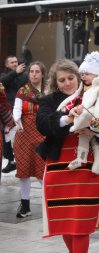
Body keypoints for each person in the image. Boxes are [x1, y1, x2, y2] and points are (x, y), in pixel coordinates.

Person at [36, 59, 99, 253]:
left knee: (81, 225)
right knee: (66, 223)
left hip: (89, 169)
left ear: (79, 77)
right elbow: (42, 124)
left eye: (70, 78)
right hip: (59, 167)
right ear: (56, 83)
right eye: (62, 80)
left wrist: (98, 129)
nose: (67, 83)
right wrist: (67, 119)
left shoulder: (96, 95)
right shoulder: (49, 101)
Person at [13, 61, 46, 218]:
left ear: (42, 74)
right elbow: (16, 110)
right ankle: (25, 205)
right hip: (24, 135)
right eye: (31, 71)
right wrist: (17, 121)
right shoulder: (23, 90)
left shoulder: (49, 91)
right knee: (24, 171)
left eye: (37, 71)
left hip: (42, 134)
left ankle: (49, 204)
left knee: (42, 171)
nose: (33, 74)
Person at [0, 55, 28, 173]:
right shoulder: (3, 76)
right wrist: (15, 73)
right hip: (9, 112)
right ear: (6, 65)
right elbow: (2, 82)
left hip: (23, 110)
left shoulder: (25, 75)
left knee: (24, 136)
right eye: (12, 62)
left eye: (16, 62)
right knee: (6, 137)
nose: (15, 64)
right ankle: (11, 161)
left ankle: (26, 162)